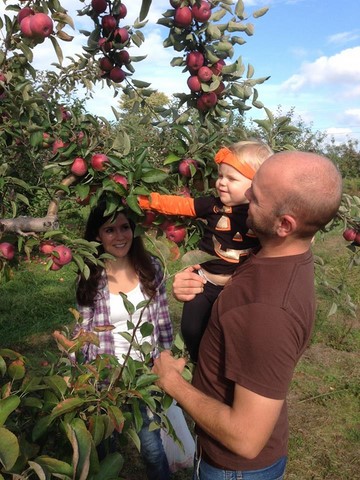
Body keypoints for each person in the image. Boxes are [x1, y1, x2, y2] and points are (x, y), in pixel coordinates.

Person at [152, 151, 343, 479]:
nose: (248, 194)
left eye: (259, 194)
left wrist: (171, 382)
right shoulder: (275, 256)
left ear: (284, 224)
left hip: (234, 470)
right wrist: (199, 277)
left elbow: (245, 438)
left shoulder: (268, 312)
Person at [138, 140, 273, 361]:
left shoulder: (261, 215)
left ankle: (219, 365)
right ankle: (198, 361)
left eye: (232, 178)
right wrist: (147, 201)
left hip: (237, 288)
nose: (221, 183)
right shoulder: (212, 204)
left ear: (257, 185)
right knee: (191, 329)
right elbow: (181, 205)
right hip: (204, 282)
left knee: (231, 336)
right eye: (220, 176)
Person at [75, 197, 173, 480]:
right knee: (105, 448)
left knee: (153, 450)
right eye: (110, 229)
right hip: (103, 378)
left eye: (125, 227)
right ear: (97, 235)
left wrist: (168, 363)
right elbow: (83, 331)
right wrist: (76, 375)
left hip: (143, 376)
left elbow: (164, 321)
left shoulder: (151, 267)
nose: (120, 236)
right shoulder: (90, 275)